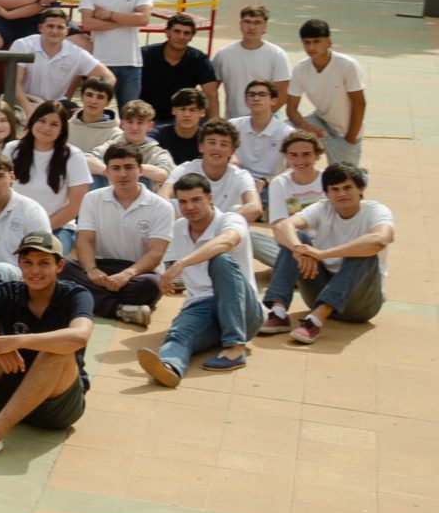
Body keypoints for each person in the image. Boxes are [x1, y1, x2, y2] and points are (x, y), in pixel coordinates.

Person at [0, 232, 93, 460]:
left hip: (56, 408)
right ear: (19, 264)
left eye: (43, 263)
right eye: (27, 263)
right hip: (5, 394)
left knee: (58, 351)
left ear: (59, 266)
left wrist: (18, 341)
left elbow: (80, 337)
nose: (34, 271)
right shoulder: (7, 291)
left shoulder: (75, 294)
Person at [136, 172, 255, 386]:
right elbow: (159, 256)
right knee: (179, 332)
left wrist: (182, 263)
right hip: (201, 305)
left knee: (220, 260)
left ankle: (235, 347)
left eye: (196, 200)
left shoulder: (231, 220)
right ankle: (169, 367)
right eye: (183, 202)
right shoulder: (178, 228)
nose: (189, 207)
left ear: (209, 198)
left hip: (243, 308)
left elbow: (226, 241)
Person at [260, 164, 390, 342]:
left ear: (361, 189)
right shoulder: (322, 208)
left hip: (360, 305)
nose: (342, 194)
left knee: (364, 251)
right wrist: (299, 250)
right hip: (319, 294)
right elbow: (282, 226)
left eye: (347, 187)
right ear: (327, 193)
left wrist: (323, 254)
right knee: (296, 238)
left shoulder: (375, 210)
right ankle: (278, 312)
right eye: (335, 189)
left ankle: (314, 321)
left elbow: (380, 239)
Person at [69, 144, 171, 324]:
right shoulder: (92, 199)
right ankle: (118, 309)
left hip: (138, 271)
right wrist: (91, 270)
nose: (123, 174)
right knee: (62, 268)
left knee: (151, 286)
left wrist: (127, 274)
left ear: (140, 170)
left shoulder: (161, 207)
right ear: (106, 172)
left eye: (129, 167)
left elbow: (155, 253)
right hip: (101, 267)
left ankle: (90, 298)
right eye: (116, 168)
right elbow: (85, 240)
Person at [74, 0, 154, 105]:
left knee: (129, 112)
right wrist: (125, 20)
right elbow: (88, 23)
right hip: (100, 62)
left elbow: (143, 19)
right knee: (95, 109)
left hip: (130, 62)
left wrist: (109, 15)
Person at [286, 19, 365, 168]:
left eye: (317, 41)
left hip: (346, 132)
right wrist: (305, 127)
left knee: (344, 176)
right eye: (307, 42)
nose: (311, 47)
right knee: (284, 131)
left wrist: (350, 138)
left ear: (328, 42)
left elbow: (359, 103)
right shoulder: (300, 69)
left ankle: (361, 175)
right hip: (320, 122)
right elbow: (291, 108)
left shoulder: (347, 65)